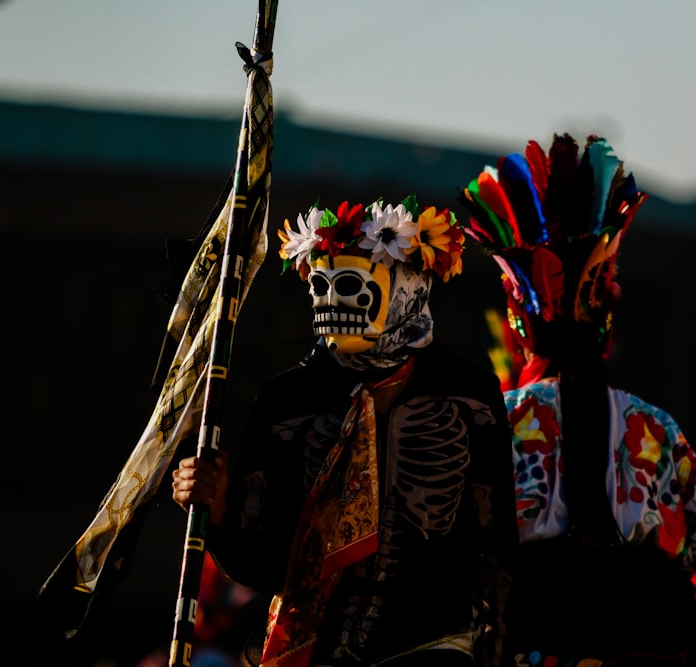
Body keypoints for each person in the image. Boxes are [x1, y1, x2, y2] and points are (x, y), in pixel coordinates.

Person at [457, 132, 696, 667]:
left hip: (530, 641)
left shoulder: (496, 422)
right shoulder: (653, 427)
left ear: (520, 322)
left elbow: (457, 545)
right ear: (604, 312)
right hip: (647, 641)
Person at [172, 195, 519, 667]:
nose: (332, 301)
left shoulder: (469, 395)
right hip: (313, 650)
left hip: (434, 649)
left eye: (350, 285)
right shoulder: (287, 400)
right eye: (322, 285)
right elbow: (263, 565)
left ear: (407, 285)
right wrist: (216, 510)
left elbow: (497, 552)